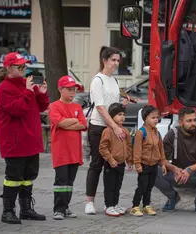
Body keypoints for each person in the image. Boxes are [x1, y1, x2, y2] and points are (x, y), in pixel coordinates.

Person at [0, 52, 49, 224]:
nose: (24, 69)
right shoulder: (4, 89)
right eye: (20, 66)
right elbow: (17, 110)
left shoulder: (28, 85)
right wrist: (27, 91)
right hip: (15, 141)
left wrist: (41, 93)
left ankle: (26, 210)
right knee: (13, 178)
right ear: (9, 68)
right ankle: (8, 211)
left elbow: (41, 107)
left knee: (28, 176)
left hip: (31, 139)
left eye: (25, 66)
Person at [85, 46, 131, 215]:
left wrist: (122, 106)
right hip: (99, 127)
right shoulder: (98, 80)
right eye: (113, 60)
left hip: (112, 128)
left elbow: (112, 107)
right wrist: (115, 126)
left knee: (112, 167)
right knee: (96, 164)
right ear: (104, 61)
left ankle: (110, 203)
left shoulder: (115, 81)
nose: (116, 63)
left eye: (118, 60)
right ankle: (89, 201)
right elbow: (101, 108)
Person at [155, 107, 196, 214]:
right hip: (177, 175)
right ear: (181, 122)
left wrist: (189, 170)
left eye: (195, 120)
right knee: (152, 170)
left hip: (195, 174)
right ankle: (172, 197)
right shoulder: (173, 133)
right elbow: (161, 158)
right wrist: (173, 168)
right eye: (189, 121)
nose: (193, 123)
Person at [48, 76, 87, 220]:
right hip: (61, 151)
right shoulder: (54, 106)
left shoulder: (77, 107)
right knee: (61, 181)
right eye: (69, 89)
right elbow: (60, 123)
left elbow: (83, 124)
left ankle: (66, 207)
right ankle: (58, 209)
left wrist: (69, 122)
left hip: (74, 152)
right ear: (60, 89)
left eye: (74, 89)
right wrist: (74, 121)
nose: (72, 92)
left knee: (70, 181)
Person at [130, 105, 167, 217]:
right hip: (144, 164)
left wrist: (163, 163)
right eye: (153, 117)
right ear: (145, 118)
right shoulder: (141, 132)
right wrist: (137, 163)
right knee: (142, 186)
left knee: (150, 186)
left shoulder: (157, 133)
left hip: (154, 165)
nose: (156, 120)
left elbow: (161, 149)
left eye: (157, 117)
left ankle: (146, 205)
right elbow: (137, 149)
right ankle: (135, 206)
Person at [99, 103, 133, 217]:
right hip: (111, 164)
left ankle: (115, 203)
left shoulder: (125, 130)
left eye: (124, 114)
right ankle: (109, 206)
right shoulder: (108, 131)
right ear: (112, 116)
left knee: (118, 185)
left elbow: (129, 146)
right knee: (110, 186)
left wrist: (129, 160)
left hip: (121, 163)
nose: (122, 117)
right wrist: (109, 158)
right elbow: (103, 147)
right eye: (119, 114)